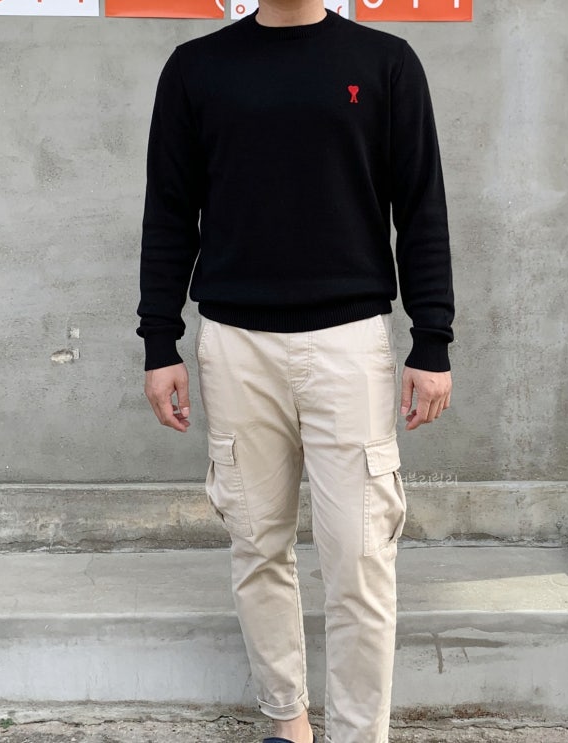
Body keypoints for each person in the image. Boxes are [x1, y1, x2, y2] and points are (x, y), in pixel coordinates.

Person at [136, 0, 454, 740]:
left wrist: (432, 340)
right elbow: (170, 211)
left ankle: (359, 733)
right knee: (257, 546)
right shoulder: (196, 69)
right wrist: (159, 341)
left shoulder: (385, 64)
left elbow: (420, 207)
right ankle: (288, 723)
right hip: (235, 346)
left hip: (349, 345)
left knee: (361, 558)